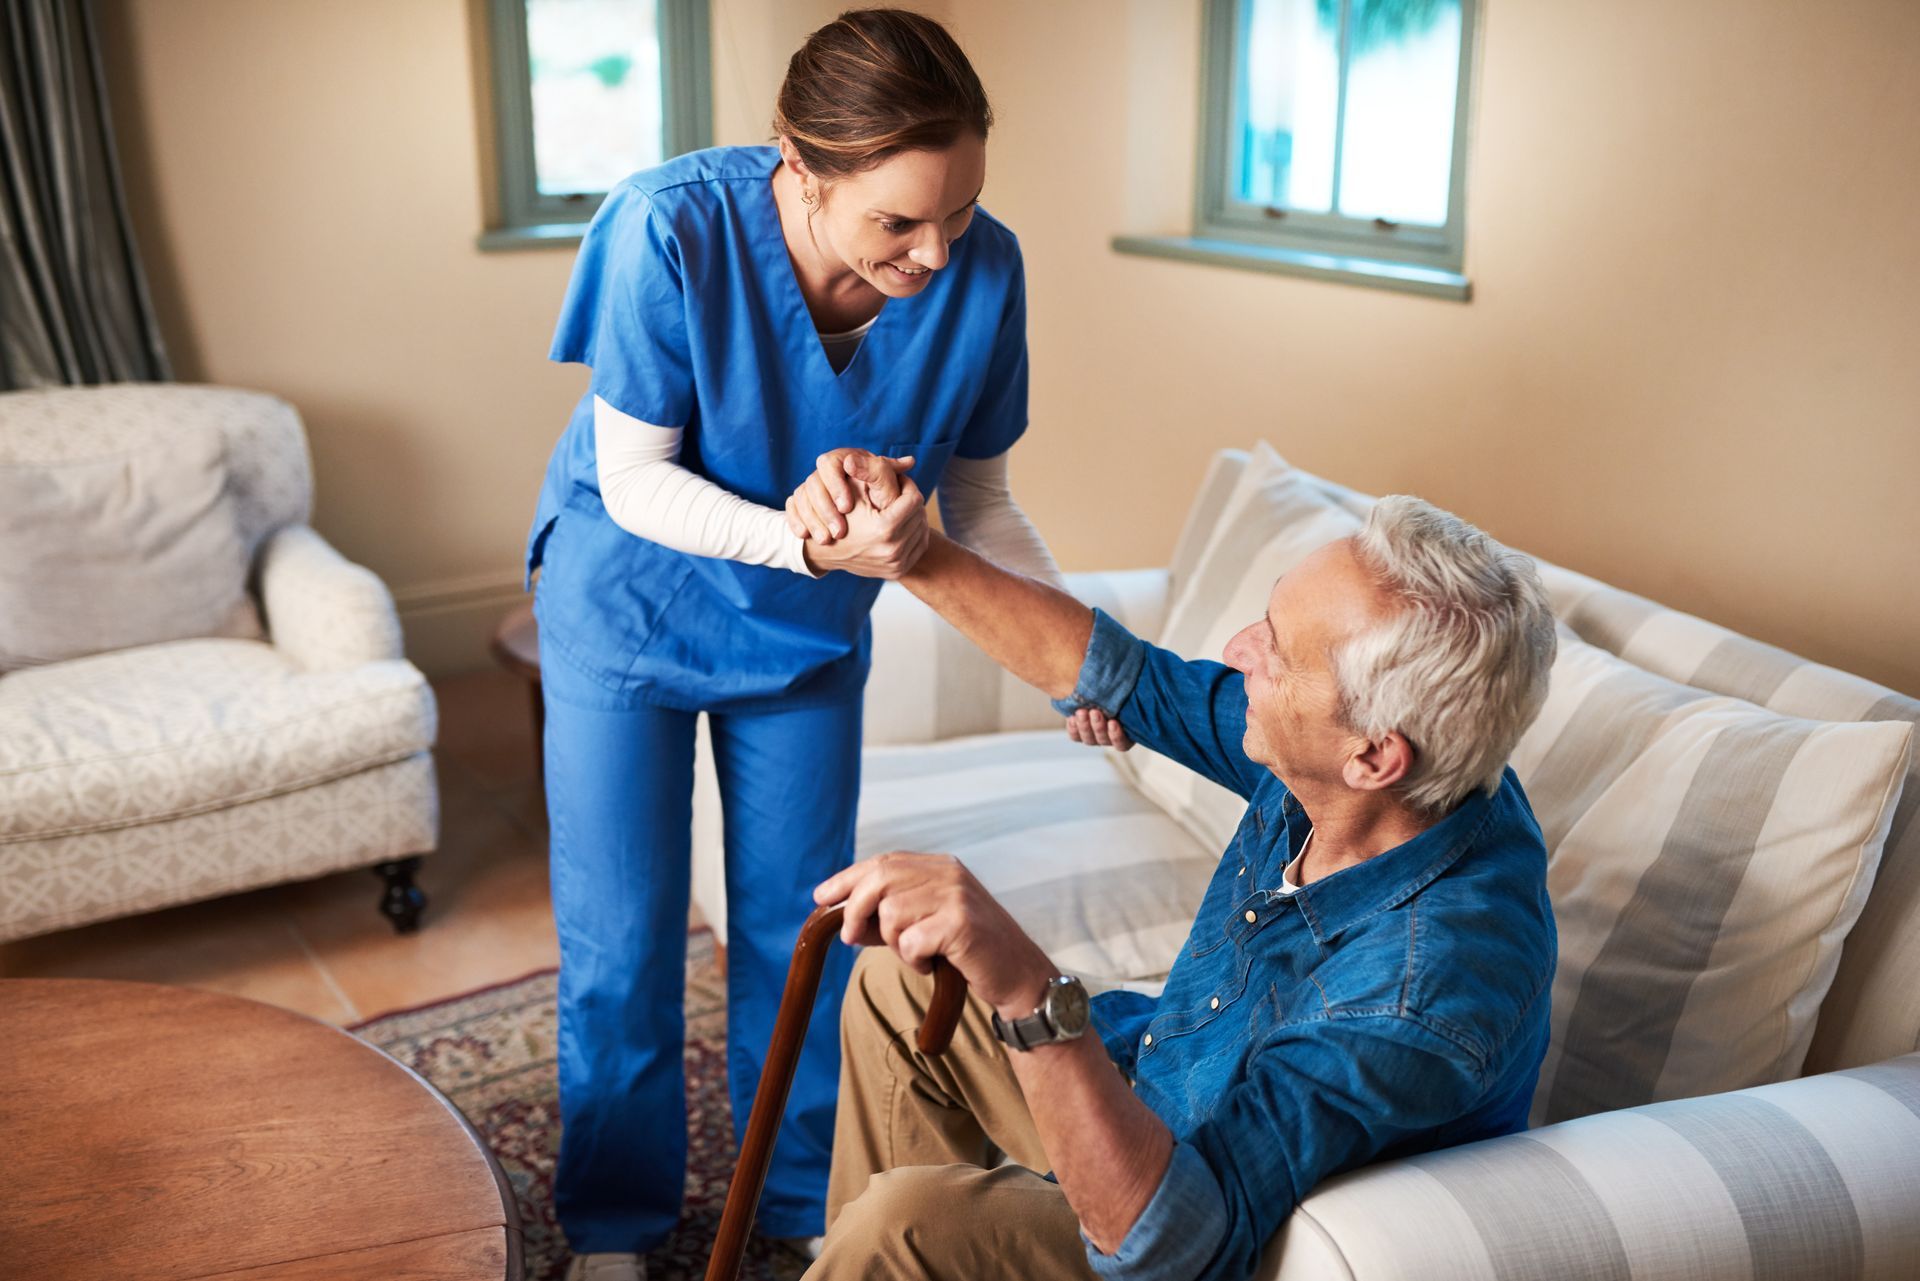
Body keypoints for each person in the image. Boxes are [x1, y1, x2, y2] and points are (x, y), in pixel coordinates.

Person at [524, 12, 1069, 1280]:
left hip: (805, 642)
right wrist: (806, 543)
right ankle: (614, 1231)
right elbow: (635, 479)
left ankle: (795, 1201)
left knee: (808, 935)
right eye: (897, 224)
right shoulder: (673, 229)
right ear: (798, 168)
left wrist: (1068, 656)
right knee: (623, 942)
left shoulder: (983, 269)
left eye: (958, 211)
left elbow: (979, 501)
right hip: (630, 613)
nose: (935, 253)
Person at [790, 470, 1560, 1281]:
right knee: (901, 984)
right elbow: (1121, 676)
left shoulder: (1421, 987)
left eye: (1277, 649)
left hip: (1193, 1227)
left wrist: (1027, 985)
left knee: (905, 1224)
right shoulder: (1393, 766)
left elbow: (1172, 1241)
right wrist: (908, 552)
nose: (1237, 653)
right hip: (1166, 1082)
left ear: (1373, 755)